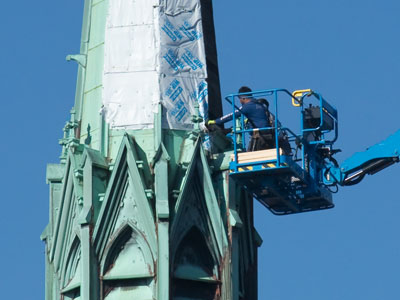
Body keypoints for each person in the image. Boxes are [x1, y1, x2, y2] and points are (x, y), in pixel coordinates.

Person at [208, 86, 276, 151]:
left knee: (249, 158)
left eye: (239, 98)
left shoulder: (247, 107)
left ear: (243, 98)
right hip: (269, 135)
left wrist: (216, 121)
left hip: (259, 137)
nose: (240, 101)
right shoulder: (260, 105)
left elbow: (231, 115)